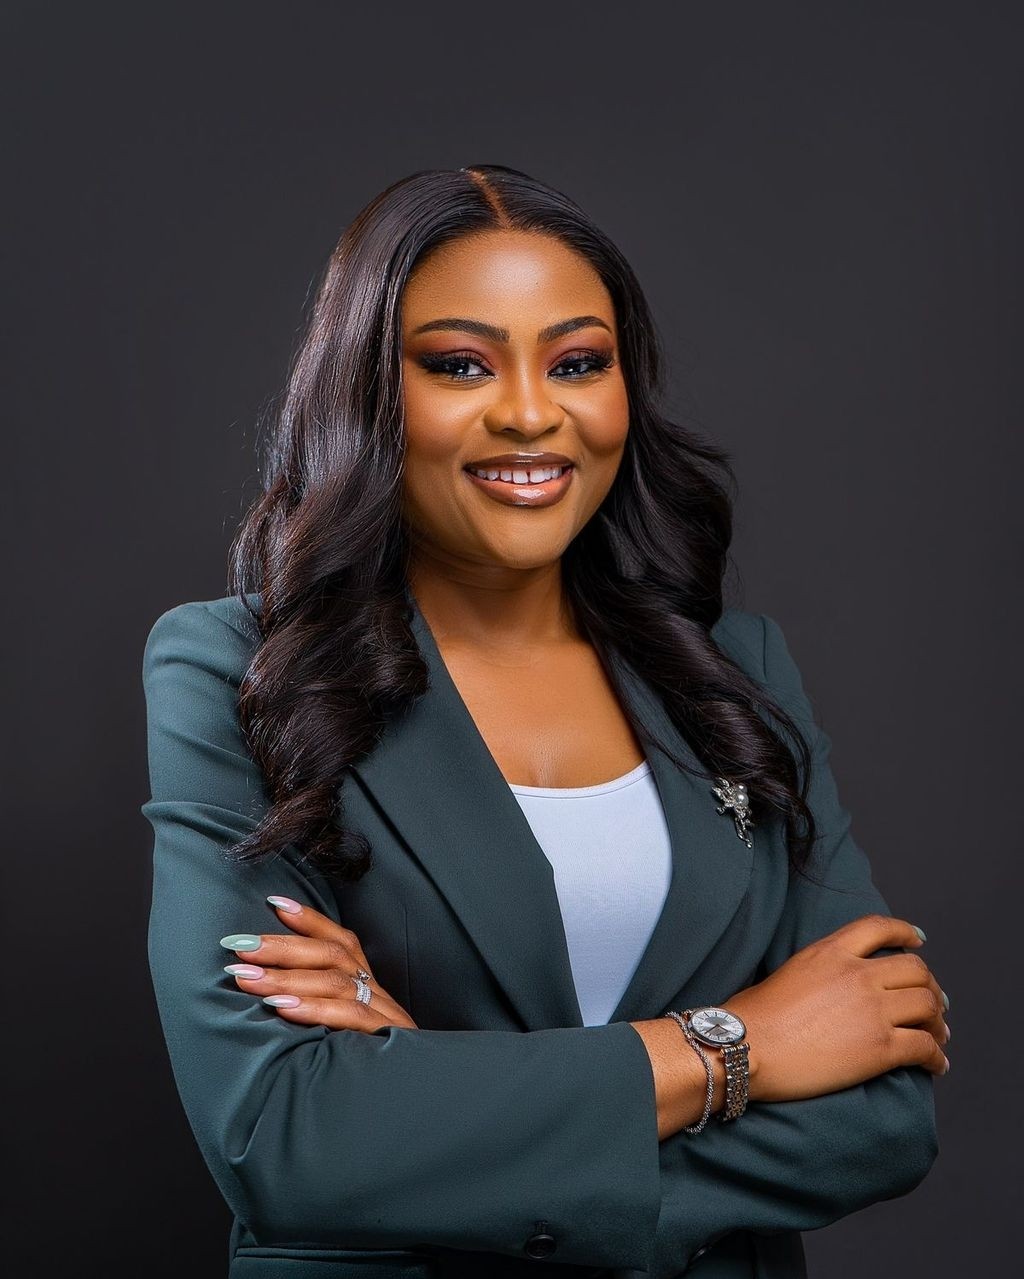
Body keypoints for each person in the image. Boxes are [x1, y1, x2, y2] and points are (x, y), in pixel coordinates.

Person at [141, 164, 947, 1279]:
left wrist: (442, 1103)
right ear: (367, 391)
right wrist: (738, 1047)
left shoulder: (732, 672)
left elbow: (883, 1115)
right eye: (459, 365)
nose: (530, 411)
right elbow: (286, 1136)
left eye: (577, 363)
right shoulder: (237, 668)